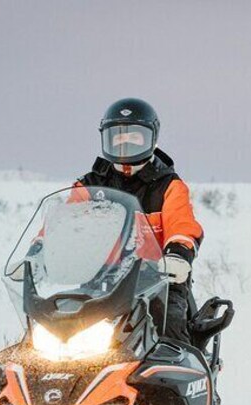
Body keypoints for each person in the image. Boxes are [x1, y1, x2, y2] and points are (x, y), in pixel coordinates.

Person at [72, 98, 203, 343]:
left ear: (152, 139)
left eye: (135, 138)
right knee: (58, 331)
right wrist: (37, 252)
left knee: (169, 329)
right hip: (100, 280)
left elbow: (182, 227)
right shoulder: (88, 186)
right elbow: (63, 227)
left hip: (157, 282)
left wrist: (176, 255)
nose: (125, 144)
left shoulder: (169, 186)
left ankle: (170, 378)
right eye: (118, 138)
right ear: (106, 139)